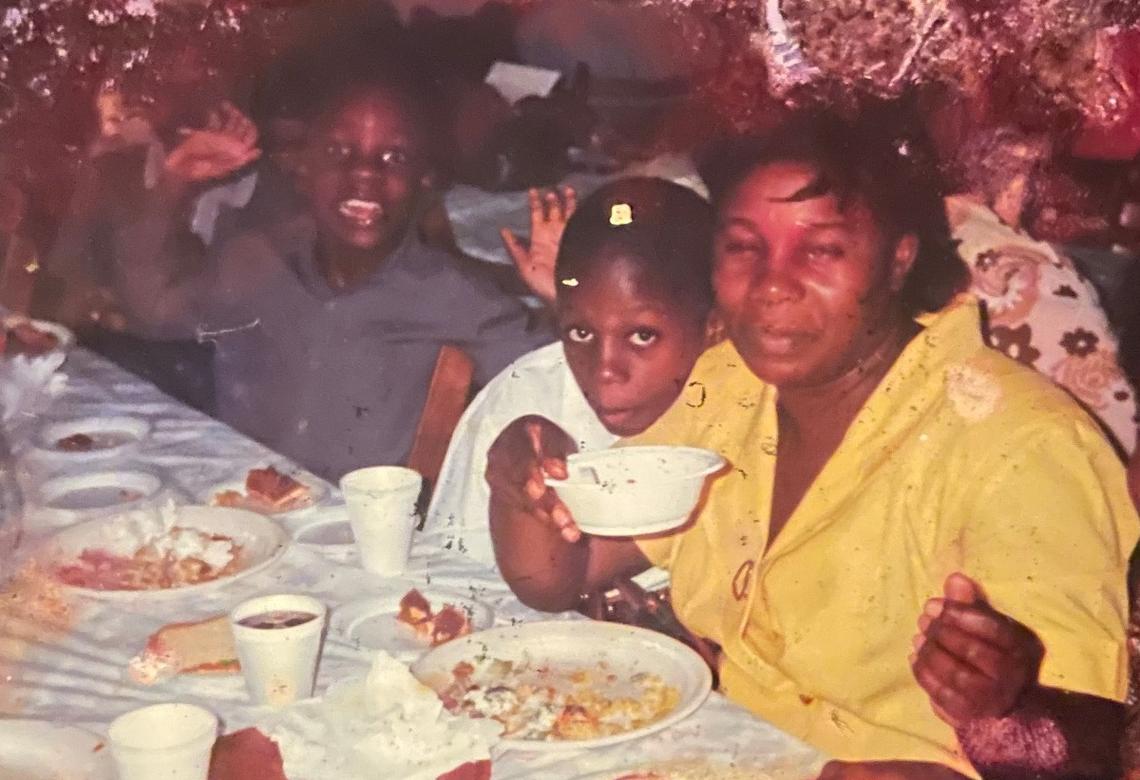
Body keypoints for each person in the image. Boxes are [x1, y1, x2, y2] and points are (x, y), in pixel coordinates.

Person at [485, 111, 1138, 778]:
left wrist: (1008, 705)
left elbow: (1090, 757)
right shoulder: (727, 386)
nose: (773, 284)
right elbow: (561, 573)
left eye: (820, 250)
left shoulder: (1025, 445)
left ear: (897, 260)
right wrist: (518, 480)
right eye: (744, 248)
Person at [104, 47, 550, 479]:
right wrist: (172, 186)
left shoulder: (452, 295)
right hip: (236, 507)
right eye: (339, 152)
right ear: (302, 168)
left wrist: (561, 295)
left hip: (343, 535)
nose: (364, 174)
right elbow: (155, 311)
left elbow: (550, 383)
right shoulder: (257, 261)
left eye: (394, 158)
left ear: (425, 179)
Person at [425, 177, 715, 566]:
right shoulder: (528, 397)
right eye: (580, 332)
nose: (604, 370)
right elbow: (451, 570)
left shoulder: (748, 410)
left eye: (642, 336)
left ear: (713, 327)